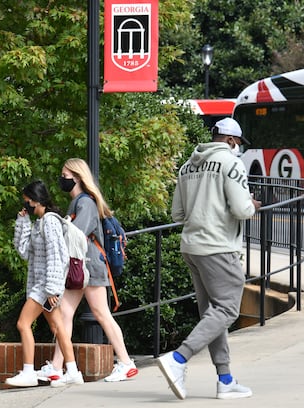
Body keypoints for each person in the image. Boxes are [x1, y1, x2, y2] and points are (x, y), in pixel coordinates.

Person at [157, 117, 261, 400]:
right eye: (237, 142)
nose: (237, 147)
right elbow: (241, 209)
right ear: (230, 141)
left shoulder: (188, 165)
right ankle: (178, 359)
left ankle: (225, 379)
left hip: (191, 246)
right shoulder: (231, 163)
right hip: (218, 247)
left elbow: (177, 215)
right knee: (227, 310)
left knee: (212, 315)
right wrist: (252, 205)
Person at [36, 158, 138, 385]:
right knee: (64, 314)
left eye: (65, 176)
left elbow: (76, 234)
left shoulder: (86, 204)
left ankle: (126, 363)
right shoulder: (80, 203)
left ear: (78, 177)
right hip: (81, 267)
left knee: (101, 313)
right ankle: (56, 367)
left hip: (89, 266)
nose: (62, 180)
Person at [6, 180, 83, 387]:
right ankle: (74, 372)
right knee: (58, 327)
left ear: (35, 200)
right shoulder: (39, 223)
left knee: (23, 324)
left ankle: (29, 372)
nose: (26, 205)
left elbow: (57, 256)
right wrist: (22, 224)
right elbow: (23, 251)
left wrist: (52, 289)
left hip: (45, 286)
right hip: (41, 285)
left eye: (27, 201)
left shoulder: (50, 221)